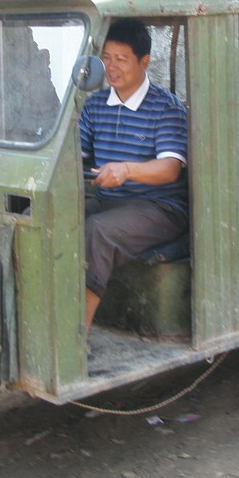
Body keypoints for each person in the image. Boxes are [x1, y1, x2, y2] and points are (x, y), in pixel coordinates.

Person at [79, 18, 189, 330]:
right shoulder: (95, 105)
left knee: (97, 230)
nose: (111, 67)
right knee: (44, 217)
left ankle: (75, 338)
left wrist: (127, 170)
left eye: (121, 59)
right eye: (106, 58)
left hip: (161, 208)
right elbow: (77, 155)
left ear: (144, 62)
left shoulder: (166, 109)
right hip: (110, 201)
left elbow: (169, 169)